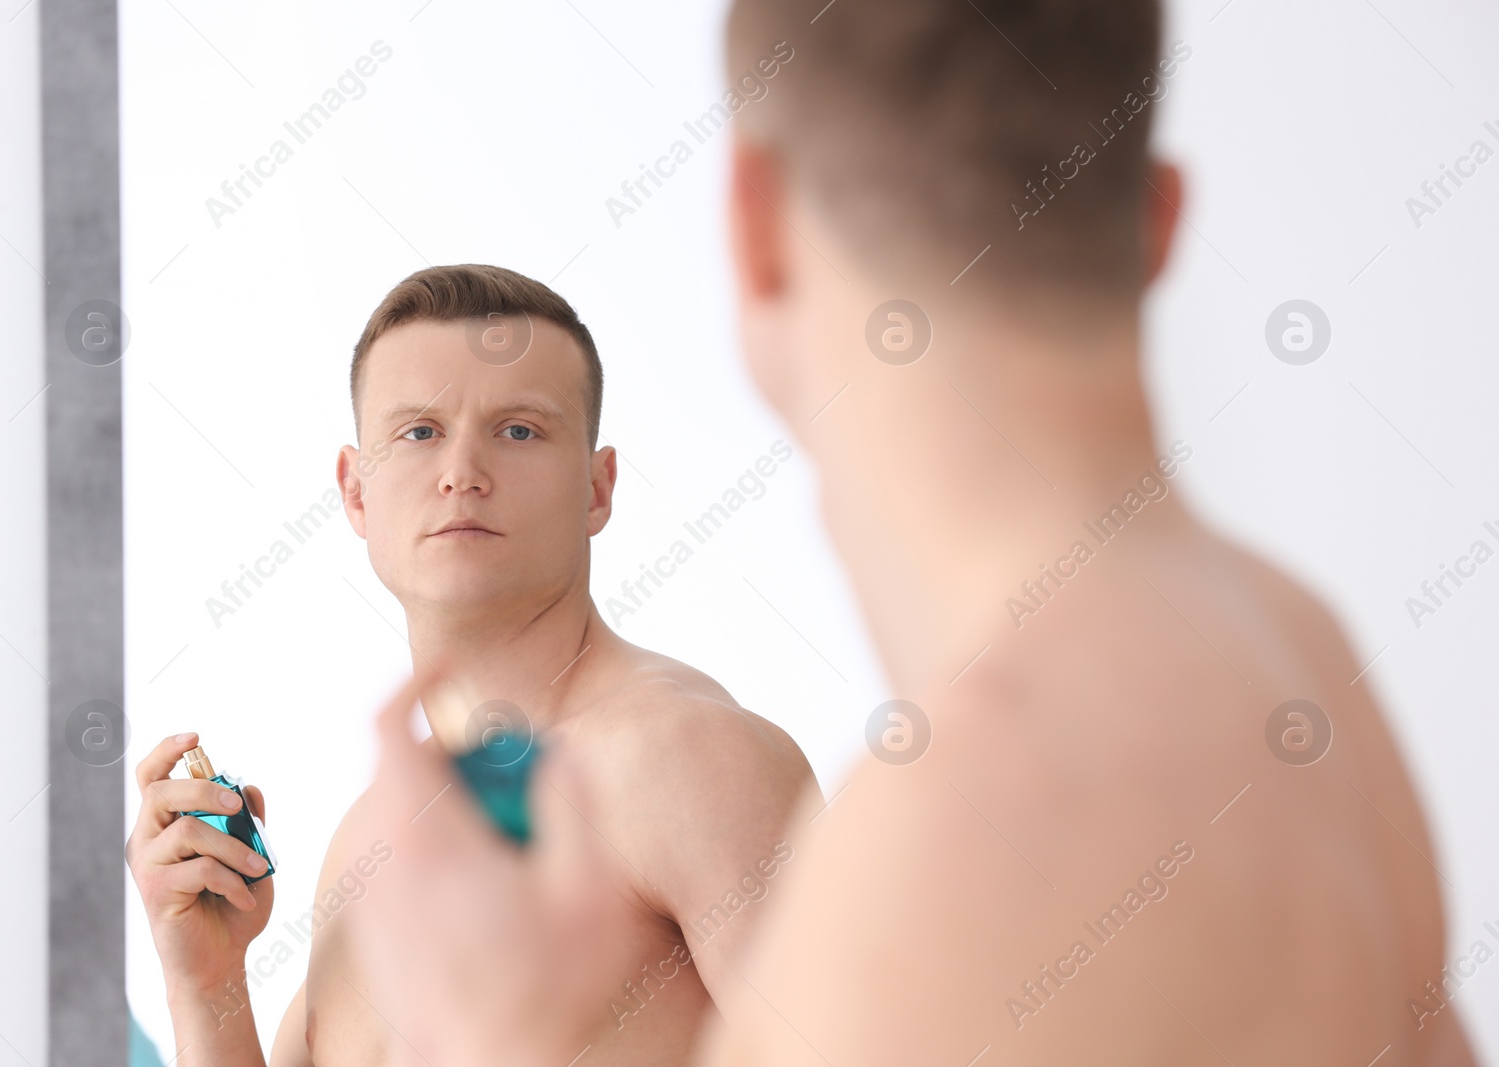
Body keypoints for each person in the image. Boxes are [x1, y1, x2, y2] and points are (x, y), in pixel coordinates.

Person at [340, 1, 1482, 1065]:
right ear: (1157, 220)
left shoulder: (955, 847)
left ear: (756, 228)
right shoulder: (1300, 659)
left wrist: (502, 1033)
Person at [125, 265, 818, 1066]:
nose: (462, 472)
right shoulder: (373, 840)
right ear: (355, 492)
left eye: (519, 429)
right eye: (418, 432)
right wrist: (207, 984)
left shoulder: (686, 760)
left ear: (597, 489)